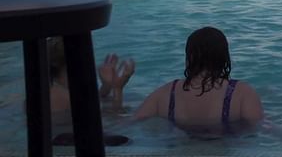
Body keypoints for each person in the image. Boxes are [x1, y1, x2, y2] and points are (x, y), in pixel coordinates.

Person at [134, 27, 264, 128]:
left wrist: (121, 86)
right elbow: (261, 129)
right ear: (224, 57)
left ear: (189, 56)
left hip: (179, 149)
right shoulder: (241, 93)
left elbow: (131, 123)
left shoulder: (165, 94)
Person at [48, 37, 134, 114]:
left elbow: (91, 102)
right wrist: (117, 89)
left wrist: (107, 85)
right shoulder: (62, 96)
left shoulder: (58, 88)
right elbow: (114, 119)